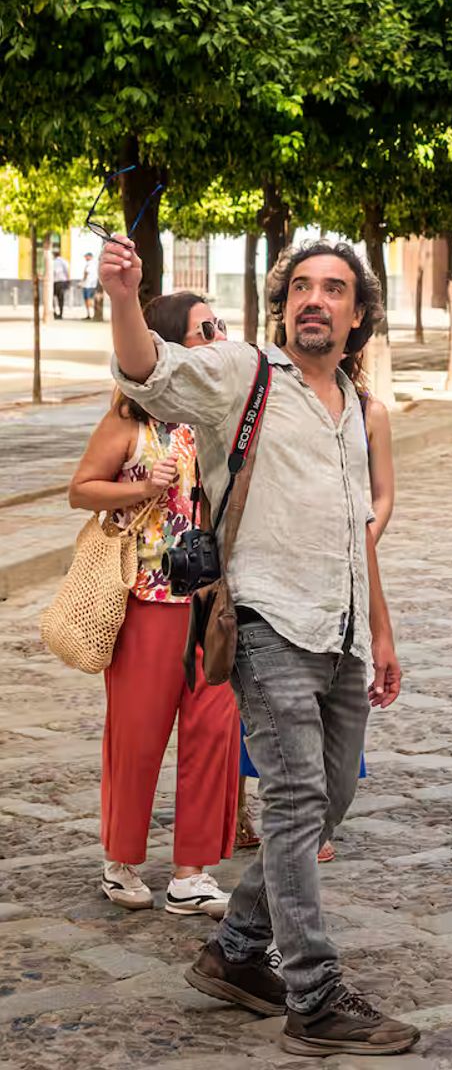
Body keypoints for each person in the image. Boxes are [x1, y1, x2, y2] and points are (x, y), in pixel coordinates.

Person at [100, 232, 419, 1059]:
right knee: (295, 801)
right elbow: (147, 369)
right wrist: (126, 297)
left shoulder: (353, 405)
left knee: (333, 797)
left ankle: (236, 952)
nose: (317, 299)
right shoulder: (241, 375)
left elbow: (359, 530)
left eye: (335, 289)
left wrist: (380, 628)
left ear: (358, 312)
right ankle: (312, 994)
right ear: (283, 304)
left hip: (342, 628)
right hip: (265, 622)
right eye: (302, 288)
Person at [68, 292, 240, 918]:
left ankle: (191, 873)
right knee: (138, 735)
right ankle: (121, 861)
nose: (218, 335)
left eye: (219, 326)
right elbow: (79, 489)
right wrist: (143, 484)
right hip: (148, 598)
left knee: (212, 731)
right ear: (170, 342)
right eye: (204, 330)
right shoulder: (131, 421)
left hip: (213, 600)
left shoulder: (222, 418)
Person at [235, 383, 394, 860]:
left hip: (342, 587)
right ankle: (255, 813)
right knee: (289, 775)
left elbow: (379, 498)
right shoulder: (263, 395)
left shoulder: (368, 411)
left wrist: (351, 543)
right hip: (274, 601)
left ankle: (245, 926)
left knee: (333, 778)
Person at [51, 243, 71, 319]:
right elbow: (67, 271)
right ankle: (60, 314)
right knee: (61, 299)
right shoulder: (64, 261)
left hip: (55, 282)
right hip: (62, 282)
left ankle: (55, 312)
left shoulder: (53, 262)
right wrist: (68, 280)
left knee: (52, 298)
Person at [82, 251, 99, 320]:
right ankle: (90, 314)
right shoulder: (95, 264)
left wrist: (82, 282)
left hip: (88, 284)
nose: (85, 258)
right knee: (90, 299)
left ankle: (90, 314)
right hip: (93, 284)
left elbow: (86, 273)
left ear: (90, 256)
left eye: (86, 256)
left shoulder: (89, 264)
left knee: (88, 300)